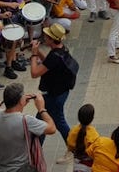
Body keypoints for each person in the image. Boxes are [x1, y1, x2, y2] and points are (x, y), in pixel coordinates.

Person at [29, 22, 77, 150]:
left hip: (55, 95)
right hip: (61, 91)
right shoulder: (61, 49)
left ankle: (73, 148)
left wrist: (34, 54)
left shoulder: (54, 56)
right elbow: (48, 63)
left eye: (47, 36)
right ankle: (37, 148)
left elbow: (34, 73)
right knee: (44, 119)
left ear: (51, 39)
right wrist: (38, 52)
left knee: (52, 121)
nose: (44, 38)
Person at [0, 83, 56, 172]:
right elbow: (52, 129)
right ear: (21, 100)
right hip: (20, 169)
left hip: (0, 168)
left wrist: (20, 105)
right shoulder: (26, 120)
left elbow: (11, 113)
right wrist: (41, 109)